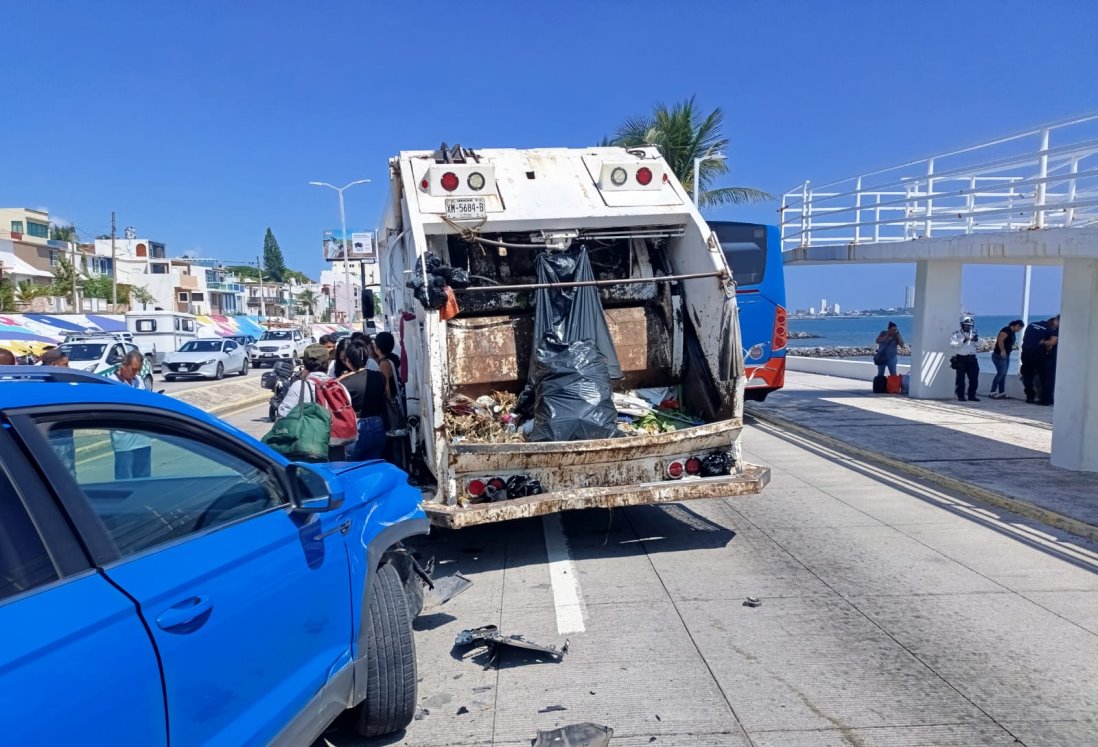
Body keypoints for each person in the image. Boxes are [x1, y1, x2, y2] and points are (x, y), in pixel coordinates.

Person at [278, 343, 353, 461]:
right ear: (328, 363)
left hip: (308, 449)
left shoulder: (299, 386)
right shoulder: (339, 386)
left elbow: (283, 416)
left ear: (305, 364)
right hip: (336, 449)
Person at [339, 341, 388, 461]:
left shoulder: (344, 382)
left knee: (353, 467)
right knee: (374, 463)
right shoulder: (379, 376)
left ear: (348, 360)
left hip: (355, 427)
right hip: (378, 424)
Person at [111, 350, 152, 478]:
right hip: (124, 441)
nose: (136, 373)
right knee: (125, 479)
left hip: (143, 439)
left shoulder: (138, 381)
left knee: (143, 478)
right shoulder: (111, 383)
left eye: (138, 370)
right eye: (133, 369)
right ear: (124, 365)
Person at [372, 331, 406, 467]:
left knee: (394, 442)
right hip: (399, 403)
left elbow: (386, 388)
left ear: (377, 347)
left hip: (392, 408)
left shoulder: (384, 364)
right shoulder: (393, 358)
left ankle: (399, 470)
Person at [1020, 315, 1059, 404]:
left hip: (1026, 353)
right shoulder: (1051, 329)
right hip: (1038, 355)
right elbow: (1052, 342)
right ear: (1055, 321)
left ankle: (1030, 397)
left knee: (1027, 376)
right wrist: (1044, 342)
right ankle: (1046, 399)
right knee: (1045, 377)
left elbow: (1024, 338)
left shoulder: (1031, 324)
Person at [988, 320, 1024, 399]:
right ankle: (992, 391)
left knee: (1003, 374)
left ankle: (1001, 392)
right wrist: (1002, 351)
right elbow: (1000, 340)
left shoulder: (1012, 332)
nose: (1019, 330)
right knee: (1001, 373)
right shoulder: (1006, 330)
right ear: (1017, 325)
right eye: (1020, 328)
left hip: (1006, 355)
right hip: (999, 355)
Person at [950, 315, 980, 402]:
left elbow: (980, 344)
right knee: (961, 379)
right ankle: (961, 396)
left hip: (972, 358)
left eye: (970, 325)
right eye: (967, 325)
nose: (968, 327)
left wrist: (976, 340)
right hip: (961, 359)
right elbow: (952, 344)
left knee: (974, 378)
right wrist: (962, 342)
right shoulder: (956, 334)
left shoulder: (974, 333)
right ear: (962, 325)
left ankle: (972, 395)